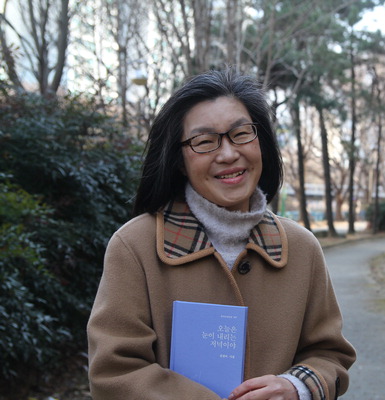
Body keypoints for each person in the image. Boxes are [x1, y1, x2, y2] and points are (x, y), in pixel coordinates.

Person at [87, 68, 356, 400]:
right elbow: (115, 373)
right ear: (180, 160)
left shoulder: (302, 248)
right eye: (204, 142)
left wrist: (296, 387)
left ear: (262, 142)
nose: (228, 154)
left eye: (241, 134)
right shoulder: (135, 247)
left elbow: (330, 354)